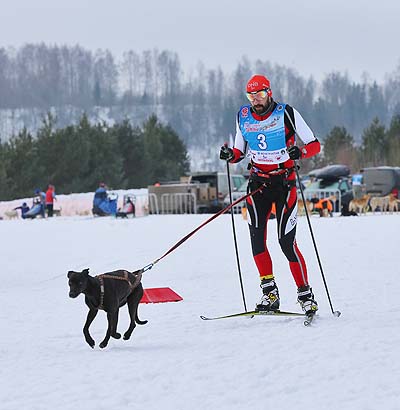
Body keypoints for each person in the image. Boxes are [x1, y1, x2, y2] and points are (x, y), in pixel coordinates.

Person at [219, 74, 321, 315]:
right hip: (258, 185)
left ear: (269, 92)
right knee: (257, 241)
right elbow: (239, 151)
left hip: (284, 184)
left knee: (287, 242)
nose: (256, 99)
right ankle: (270, 293)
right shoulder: (243, 116)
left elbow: (314, 144)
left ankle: (305, 294)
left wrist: (300, 152)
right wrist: (229, 155)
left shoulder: (286, 113)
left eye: (260, 94)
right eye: (251, 95)